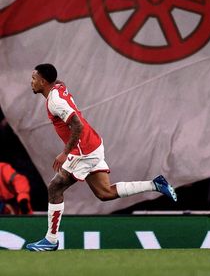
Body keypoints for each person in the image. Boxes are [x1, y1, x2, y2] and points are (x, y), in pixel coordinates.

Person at [26, 63, 177, 251]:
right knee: (104, 193)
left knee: (55, 187)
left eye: (33, 78)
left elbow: (78, 125)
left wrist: (65, 153)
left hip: (84, 151)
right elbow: (59, 83)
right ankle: (155, 184)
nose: (31, 82)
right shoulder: (57, 89)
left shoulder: (55, 102)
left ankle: (51, 240)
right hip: (94, 144)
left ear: (43, 81)